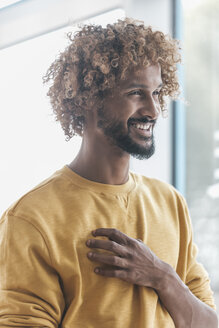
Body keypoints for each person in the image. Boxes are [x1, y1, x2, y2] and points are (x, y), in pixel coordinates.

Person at [0, 18, 218, 328]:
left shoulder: (170, 203)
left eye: (156, 93)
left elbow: (207, 323)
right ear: (89, 99)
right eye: (135, 93)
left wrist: (162, 276)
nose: (154, 111)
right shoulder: (31, 219)